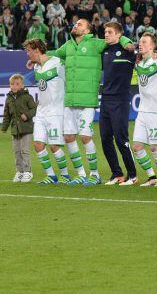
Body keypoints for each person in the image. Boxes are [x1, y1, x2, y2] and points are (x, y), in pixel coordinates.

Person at [43, 18, 134, 186]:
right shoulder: (68, 46)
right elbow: (54, 54)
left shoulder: (95, 44)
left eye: (79, 24)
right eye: (75, 23)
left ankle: (95, 174)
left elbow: (115, 38)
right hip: (70, 100)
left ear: (87, 30)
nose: (75, 25)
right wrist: (38, 59)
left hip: (87, 101)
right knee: (69, 137)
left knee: (85, 137)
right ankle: (80, 174)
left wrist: (126, 41)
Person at [23, 40, 72, 185]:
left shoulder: (57, 63)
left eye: (29, 50)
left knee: (54, 146)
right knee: (38, 144)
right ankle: (51, 175)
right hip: (41, 111)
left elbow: (68, 80)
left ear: (37, 50)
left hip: (56, 111)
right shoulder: (36, 67)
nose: (27, 53)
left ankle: (65, 175)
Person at [99, 22, 139, 185]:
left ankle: (133, 175)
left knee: (121, 139)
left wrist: (126, 42)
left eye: (109, 32)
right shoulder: (103, 51)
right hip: (106, 99)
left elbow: (143, 53)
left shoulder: (128, 52)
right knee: (105, 138)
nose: (106, 35)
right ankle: (117, 173)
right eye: (105, 32)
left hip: (121, 100)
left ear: (118, 35)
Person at [131, 33, 157, 187]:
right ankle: (151, 177)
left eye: (144, 42)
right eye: (140, 41)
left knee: (154, 147)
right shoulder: (139, 63)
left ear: (152, 46)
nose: (140, 44)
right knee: (137, 147)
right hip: (143, 111)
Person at [1, 73, 36, 183]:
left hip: (26, 129)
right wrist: (4, 127)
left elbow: (34, 109)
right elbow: (7, 115)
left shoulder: (27, 97)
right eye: (12, 84)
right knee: (16, 151)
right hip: (15, 130)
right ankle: (19, 172)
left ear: (22, 85)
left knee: (24, 151)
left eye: (17, 84)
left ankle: (27, 172)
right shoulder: (9, 99)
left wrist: (27, 115)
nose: (14, 86)